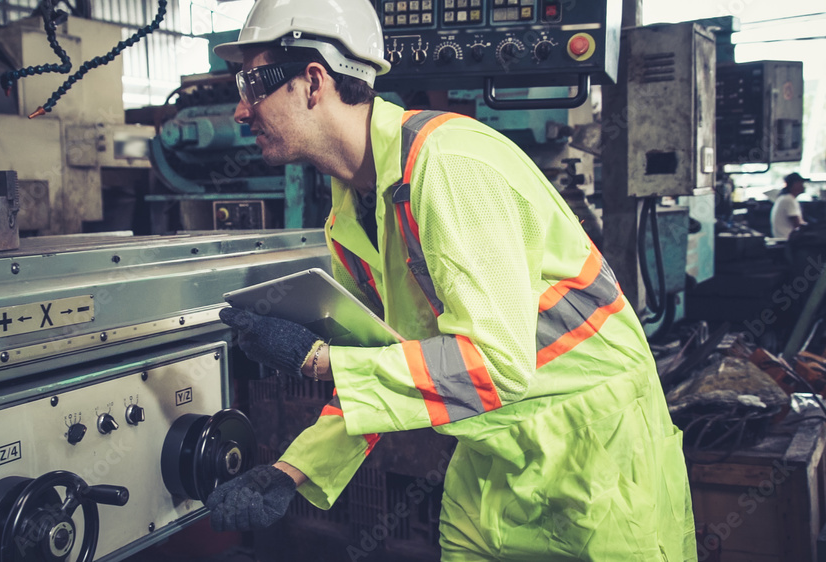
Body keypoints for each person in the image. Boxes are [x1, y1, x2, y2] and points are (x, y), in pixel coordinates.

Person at [206, 0, 697, 558]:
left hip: (593, 454)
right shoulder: (349, 213)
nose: (241, 111)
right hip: (490, 455)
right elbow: (387, 368)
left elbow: (494, 364)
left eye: (251, 83)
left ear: (312, 81)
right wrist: (292, 470)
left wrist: (318, 360)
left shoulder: (448, 164)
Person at [770, 172, 808, 239]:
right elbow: (797, 224)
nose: (803, 186)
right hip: (787, 238)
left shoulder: (784, 198)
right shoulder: (788, 199)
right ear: (794, 184)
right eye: (801, 183)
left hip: (784, 237)